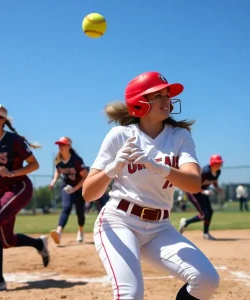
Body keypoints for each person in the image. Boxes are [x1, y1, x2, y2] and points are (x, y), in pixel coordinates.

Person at [82, 71, 220, 300]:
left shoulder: (180, 136)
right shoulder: (120, 135)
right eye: (158, 95)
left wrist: (160, 167)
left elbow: (194, 184)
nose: (166, 99)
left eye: (167, 94)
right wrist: (112, 169)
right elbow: (88, 193)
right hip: (119, 221)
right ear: (139, 102)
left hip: (160, 227)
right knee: (130, 295)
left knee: (206, 280)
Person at [0, 104, 50, 295]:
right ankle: (40, 244)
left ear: (3, 120)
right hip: (1, 191)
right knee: (6, 240)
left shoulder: (14, 141)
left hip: (19, 188)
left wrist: (12, 173)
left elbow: (34, 165)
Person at [49, 137, 88, 244]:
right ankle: (58, 232)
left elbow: (85, 177)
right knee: (66, 208)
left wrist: (74, 189)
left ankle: (80, 231)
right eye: (59, 144)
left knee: (80, 212)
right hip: (66, 186)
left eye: (63, 144)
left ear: (69, 146)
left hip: (79, 188)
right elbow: (58, 171)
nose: (60, 147)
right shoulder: (58, 159)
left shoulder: (76, 160)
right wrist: (53, 181)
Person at [179, 154, 224, 240]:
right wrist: (204, 191)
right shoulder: (205, 172)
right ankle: (186, 222)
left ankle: (206, 233)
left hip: (202, 192)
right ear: (213, 163)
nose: (220, 165)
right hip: (192, 191)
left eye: (220, 163)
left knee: (209, 212)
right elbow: (194, 184)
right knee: (204, 215)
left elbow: (214, 181)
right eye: (218, 163)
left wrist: (218, 188)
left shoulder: (218, 172)